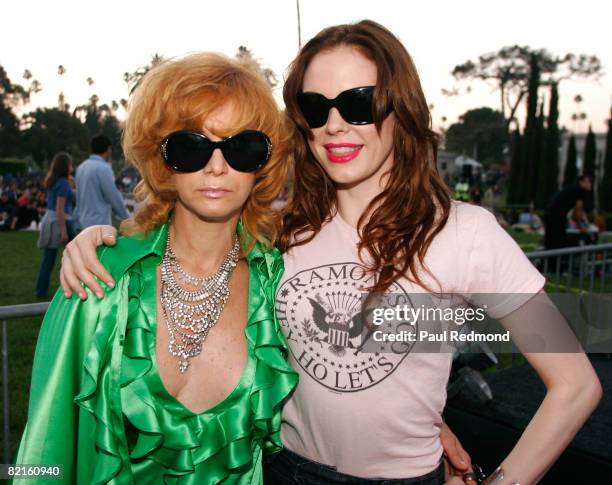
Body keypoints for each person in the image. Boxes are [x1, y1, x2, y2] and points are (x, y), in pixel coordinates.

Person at [58, 21, 602, 485]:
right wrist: (96, 241)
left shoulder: (467, 233)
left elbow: (575, 385)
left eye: (359, 103)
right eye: (316, 108)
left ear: (400, 108)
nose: (335, 124)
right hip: (282, 471)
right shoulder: (282, 232)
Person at [16, 53, 299, 484]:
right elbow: (41, 452)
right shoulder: (100, 281)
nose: (217, 166)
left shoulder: (280, 283)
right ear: (161, 159)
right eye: (191, 146)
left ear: (263, 165)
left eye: (243, 147)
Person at [35, 152, 76, 297]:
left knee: (48, 258)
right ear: (66, 166)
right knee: (74, 256)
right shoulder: (63, 183)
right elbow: (60, 207)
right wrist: (64, 231)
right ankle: (73, 287)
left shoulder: (54, 181)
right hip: (60, 221)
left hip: (50, 219)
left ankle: (41, 291)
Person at [74, 134, 130, 229]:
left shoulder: (81, 167)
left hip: (82, 222)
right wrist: (127, 217)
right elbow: (113, 196)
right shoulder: (104, 168)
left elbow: (78, 198)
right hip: (98, 223)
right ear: (108, 149)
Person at [543, 175, 593, 250]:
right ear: (581, 183)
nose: (590, 184)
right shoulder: (581, 191)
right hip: (556, 217)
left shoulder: (573, 189)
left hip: (550, 215)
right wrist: (581, 229)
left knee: (551, 241)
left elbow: (575, 213)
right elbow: (577, 213)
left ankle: (550, 258)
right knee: (558, 242)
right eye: (588, 182)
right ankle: (555, 259)